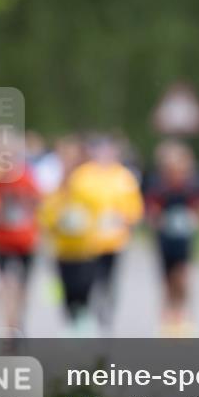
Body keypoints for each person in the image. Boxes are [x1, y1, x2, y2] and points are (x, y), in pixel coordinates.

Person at [68, 135, 144, 332]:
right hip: (86, 241)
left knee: (108, 280)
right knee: (86, 280)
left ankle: (105, 313)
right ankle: (84, 314)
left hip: (113, 241)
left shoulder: (124, 177)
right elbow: (72, 206)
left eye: (108, 150)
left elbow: (135, 208)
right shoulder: (82, 176)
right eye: (100, 150)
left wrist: (124, 218)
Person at [144, 139, 199, 336]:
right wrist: (160, 220)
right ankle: (167, 316)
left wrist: (194, 220)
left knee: (181, 277)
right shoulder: (159, 187)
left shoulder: (192, 187)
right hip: (165, 240)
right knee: (167, 280)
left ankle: (182, 315)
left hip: (184, 240)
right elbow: (151, 213)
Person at [38, 138, 100, 333]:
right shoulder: (56, 192)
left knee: (84, 287)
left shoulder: (88, 187)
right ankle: (71, 322)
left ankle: (83, 320)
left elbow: (97, 213)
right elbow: (46, 217)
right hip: (64, 249)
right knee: (68, 289)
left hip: (86, 248)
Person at [0, 155, 41, 332]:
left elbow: (38, 202)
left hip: (25, 241)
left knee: (22, 284)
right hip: (3, 241)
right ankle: (9, 323)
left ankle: (18, 318)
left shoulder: (27, 180)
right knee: (5, 284)